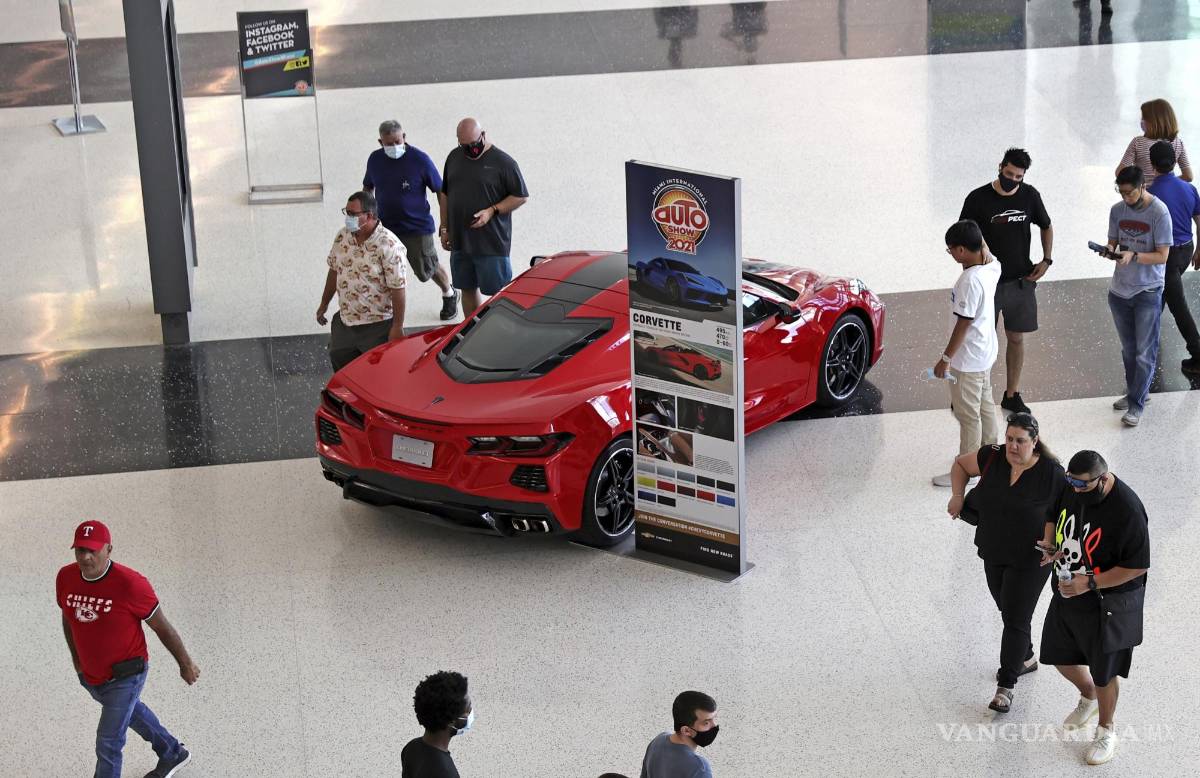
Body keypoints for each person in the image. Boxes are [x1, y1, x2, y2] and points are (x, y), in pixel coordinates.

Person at [57, 520, 199, 778]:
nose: (86, 557)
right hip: (91, 675)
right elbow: (69, 616)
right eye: (80, 550)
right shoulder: (65, 577)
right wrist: (77, 660)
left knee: (108, 742)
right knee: (131, 713)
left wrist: (185, 663)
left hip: (126, 675)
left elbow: (162, 627)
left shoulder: (131, 584)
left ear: (109, 549)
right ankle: (173, 753)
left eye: (92, 550)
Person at [946, 413, 1065, 713]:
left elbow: (1068, 510)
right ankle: (1025, 656)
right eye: (1009, 438)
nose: (1012, 446)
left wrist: (1055, 544)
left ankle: (1006, 686)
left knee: (1015, 619)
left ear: (1035, 442)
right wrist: (958, 496)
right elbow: (960, 465)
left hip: (1031, 558)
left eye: (1020, 441)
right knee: (1008, 609)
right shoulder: (993, 456)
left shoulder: (1051, 473)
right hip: (994, 550)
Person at [1038, 451, 1149, 765]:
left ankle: (1106, 729)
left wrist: (1089, 583)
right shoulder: (1071, 486)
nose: (1074, 489)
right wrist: (1050, 544)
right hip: (1068, 591)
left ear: (1102, 479)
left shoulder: (1127, 509)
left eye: (1082, 485)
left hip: (1106, 603)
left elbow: (1137, 567)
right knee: (1057, 655)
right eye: (1071, 482)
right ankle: (1089, 696)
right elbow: (1052, 513)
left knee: (1105, 673)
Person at [959, 148, 1054, 415]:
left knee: (1016, 338)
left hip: (1020, 281)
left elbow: (1046, 225)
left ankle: (1011, 394)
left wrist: (1046, 260)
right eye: (1009, 173)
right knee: (978, 341)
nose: (1012, 180)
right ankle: (974, 393)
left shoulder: (1030, 196)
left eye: (1018, 177)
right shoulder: (977, 198)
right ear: (1000, 167)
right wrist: (974, 267)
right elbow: (962, 237)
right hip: (986, 284)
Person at [363, 120, 460, 321]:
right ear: (380, 142)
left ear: (404, 137)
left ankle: (449, 292)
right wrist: (367, 214)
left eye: (397, 141)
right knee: (383, 269)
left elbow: (441, 190)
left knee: (427, 268)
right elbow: (368, 187)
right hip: (385, 227)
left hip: (416, 227)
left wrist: (446, 223)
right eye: (388, 144)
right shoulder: (375, 160)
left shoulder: (420, 160)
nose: (394, 146)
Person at [931, 220, 1002, 487]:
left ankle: (968, 469)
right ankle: (991, 460)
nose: (950, 254)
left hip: (968, 359)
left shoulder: (969, 281)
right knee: (985, 407)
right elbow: (984, 247)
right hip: (985, 353)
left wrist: (945, 359)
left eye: (951, 249)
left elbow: (964, 323)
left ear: (961, 250)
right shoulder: (992, 267)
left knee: (968, 416)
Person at [438, 118, 529, 318]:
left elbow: (520, 196)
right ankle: (472, 329)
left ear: (483, 135)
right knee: (467, 289)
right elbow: (445, 193)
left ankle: (501, 331)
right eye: (464, 145)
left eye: (474, 143)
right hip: (461, 242)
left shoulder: (504, 163)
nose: (471, 149)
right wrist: (445, 228)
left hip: (491, 244)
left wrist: (492, 210)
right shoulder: (454, 157)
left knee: (499, 295)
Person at [1104, 167, 1172, 426]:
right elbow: (1113, 240)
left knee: (1145, 352)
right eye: (1120, 192)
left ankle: (1137, 404)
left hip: (1147, 291)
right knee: (1129, 351)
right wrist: (1109, 249)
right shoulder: (1117, 210)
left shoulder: (1159, 212)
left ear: (1142, 186)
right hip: (1119, 291)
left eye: (1129, 193)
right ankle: (1136, 392)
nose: (1125, 198)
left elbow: (1162, 256)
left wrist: (1134, 255)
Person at [316, 191, 407, 371]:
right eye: (346, 212)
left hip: (377, 326)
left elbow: (398, 289)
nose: (347, 218)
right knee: (342, 366)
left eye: (353, 214)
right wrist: (324, 303)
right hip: (346, 322)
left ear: (369, 216)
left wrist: (397, 326)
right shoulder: (343, 236)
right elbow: (334, 271)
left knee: (377, 373)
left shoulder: (389, 245)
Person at [1146, 141, 1200, 374]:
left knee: (1177, 305)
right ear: (1175, 162)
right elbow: (1199, 220)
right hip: (1186, 250)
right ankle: (1145, 345)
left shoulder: (1150, 194)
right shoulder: (1189, 188)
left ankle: (1198, 353)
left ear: (1151, 164)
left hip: (1165, 256)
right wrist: (1199, 249)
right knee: (1159, 298)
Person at [401, 671, 473, 778]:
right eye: (468, 709)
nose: (471, 712)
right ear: (451, 720)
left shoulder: (411, 748)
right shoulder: (446, 773)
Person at [640, 690, 719, 778]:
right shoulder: (699, 768)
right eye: (706, 723)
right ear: (686, 730)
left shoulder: (657, 741)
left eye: (714, 718)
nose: (714, 725)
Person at [1116, 98, 1192, 186]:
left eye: (1144, 118)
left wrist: (1139, 187)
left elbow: (1119, 172)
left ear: (1154, 121)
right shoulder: (1178, 143)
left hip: (1144, 193)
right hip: (1166, 192)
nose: (1141, 121)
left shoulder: (1138, 142)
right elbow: (1188, 176)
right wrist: (1167, 183)